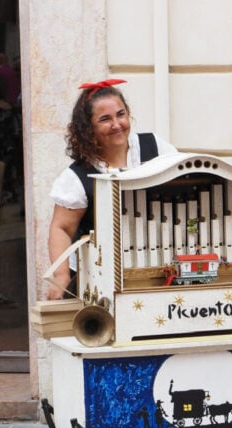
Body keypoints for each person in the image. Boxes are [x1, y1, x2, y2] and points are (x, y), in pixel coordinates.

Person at [46, 79, 177, 300]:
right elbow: (62, 228)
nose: (117, 124)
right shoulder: (76, 177)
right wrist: (61, 276)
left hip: (156, 270)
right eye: (105, 119)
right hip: (99, 278)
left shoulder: (156, 147)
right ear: (89, 128)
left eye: (121, 114)